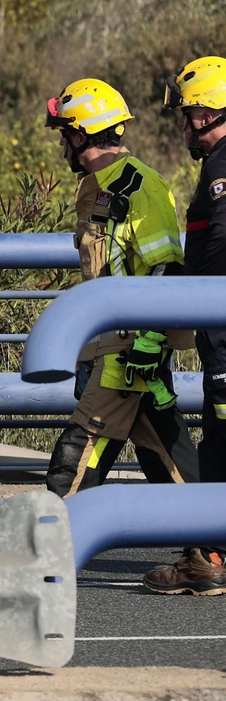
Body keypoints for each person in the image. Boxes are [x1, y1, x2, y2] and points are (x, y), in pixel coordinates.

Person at [39, 79, 199, 500]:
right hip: (112, 346)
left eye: (64, 136)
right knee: (163, 452)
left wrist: (148, 341)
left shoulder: (139, 186)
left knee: (78, 454)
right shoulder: (95, 186)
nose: (62, 147)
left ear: (82, 134)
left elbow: (165, 266)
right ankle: (209, 545)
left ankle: (50, 551)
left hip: (130, 350)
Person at [144, 57, 226, 596]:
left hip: (224, 335)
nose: (182, 124)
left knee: (221, 439)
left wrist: (183, 288)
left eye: (188, 112)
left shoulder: (222, 172)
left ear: (209, 111)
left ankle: (207, 558)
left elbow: (220, 251)